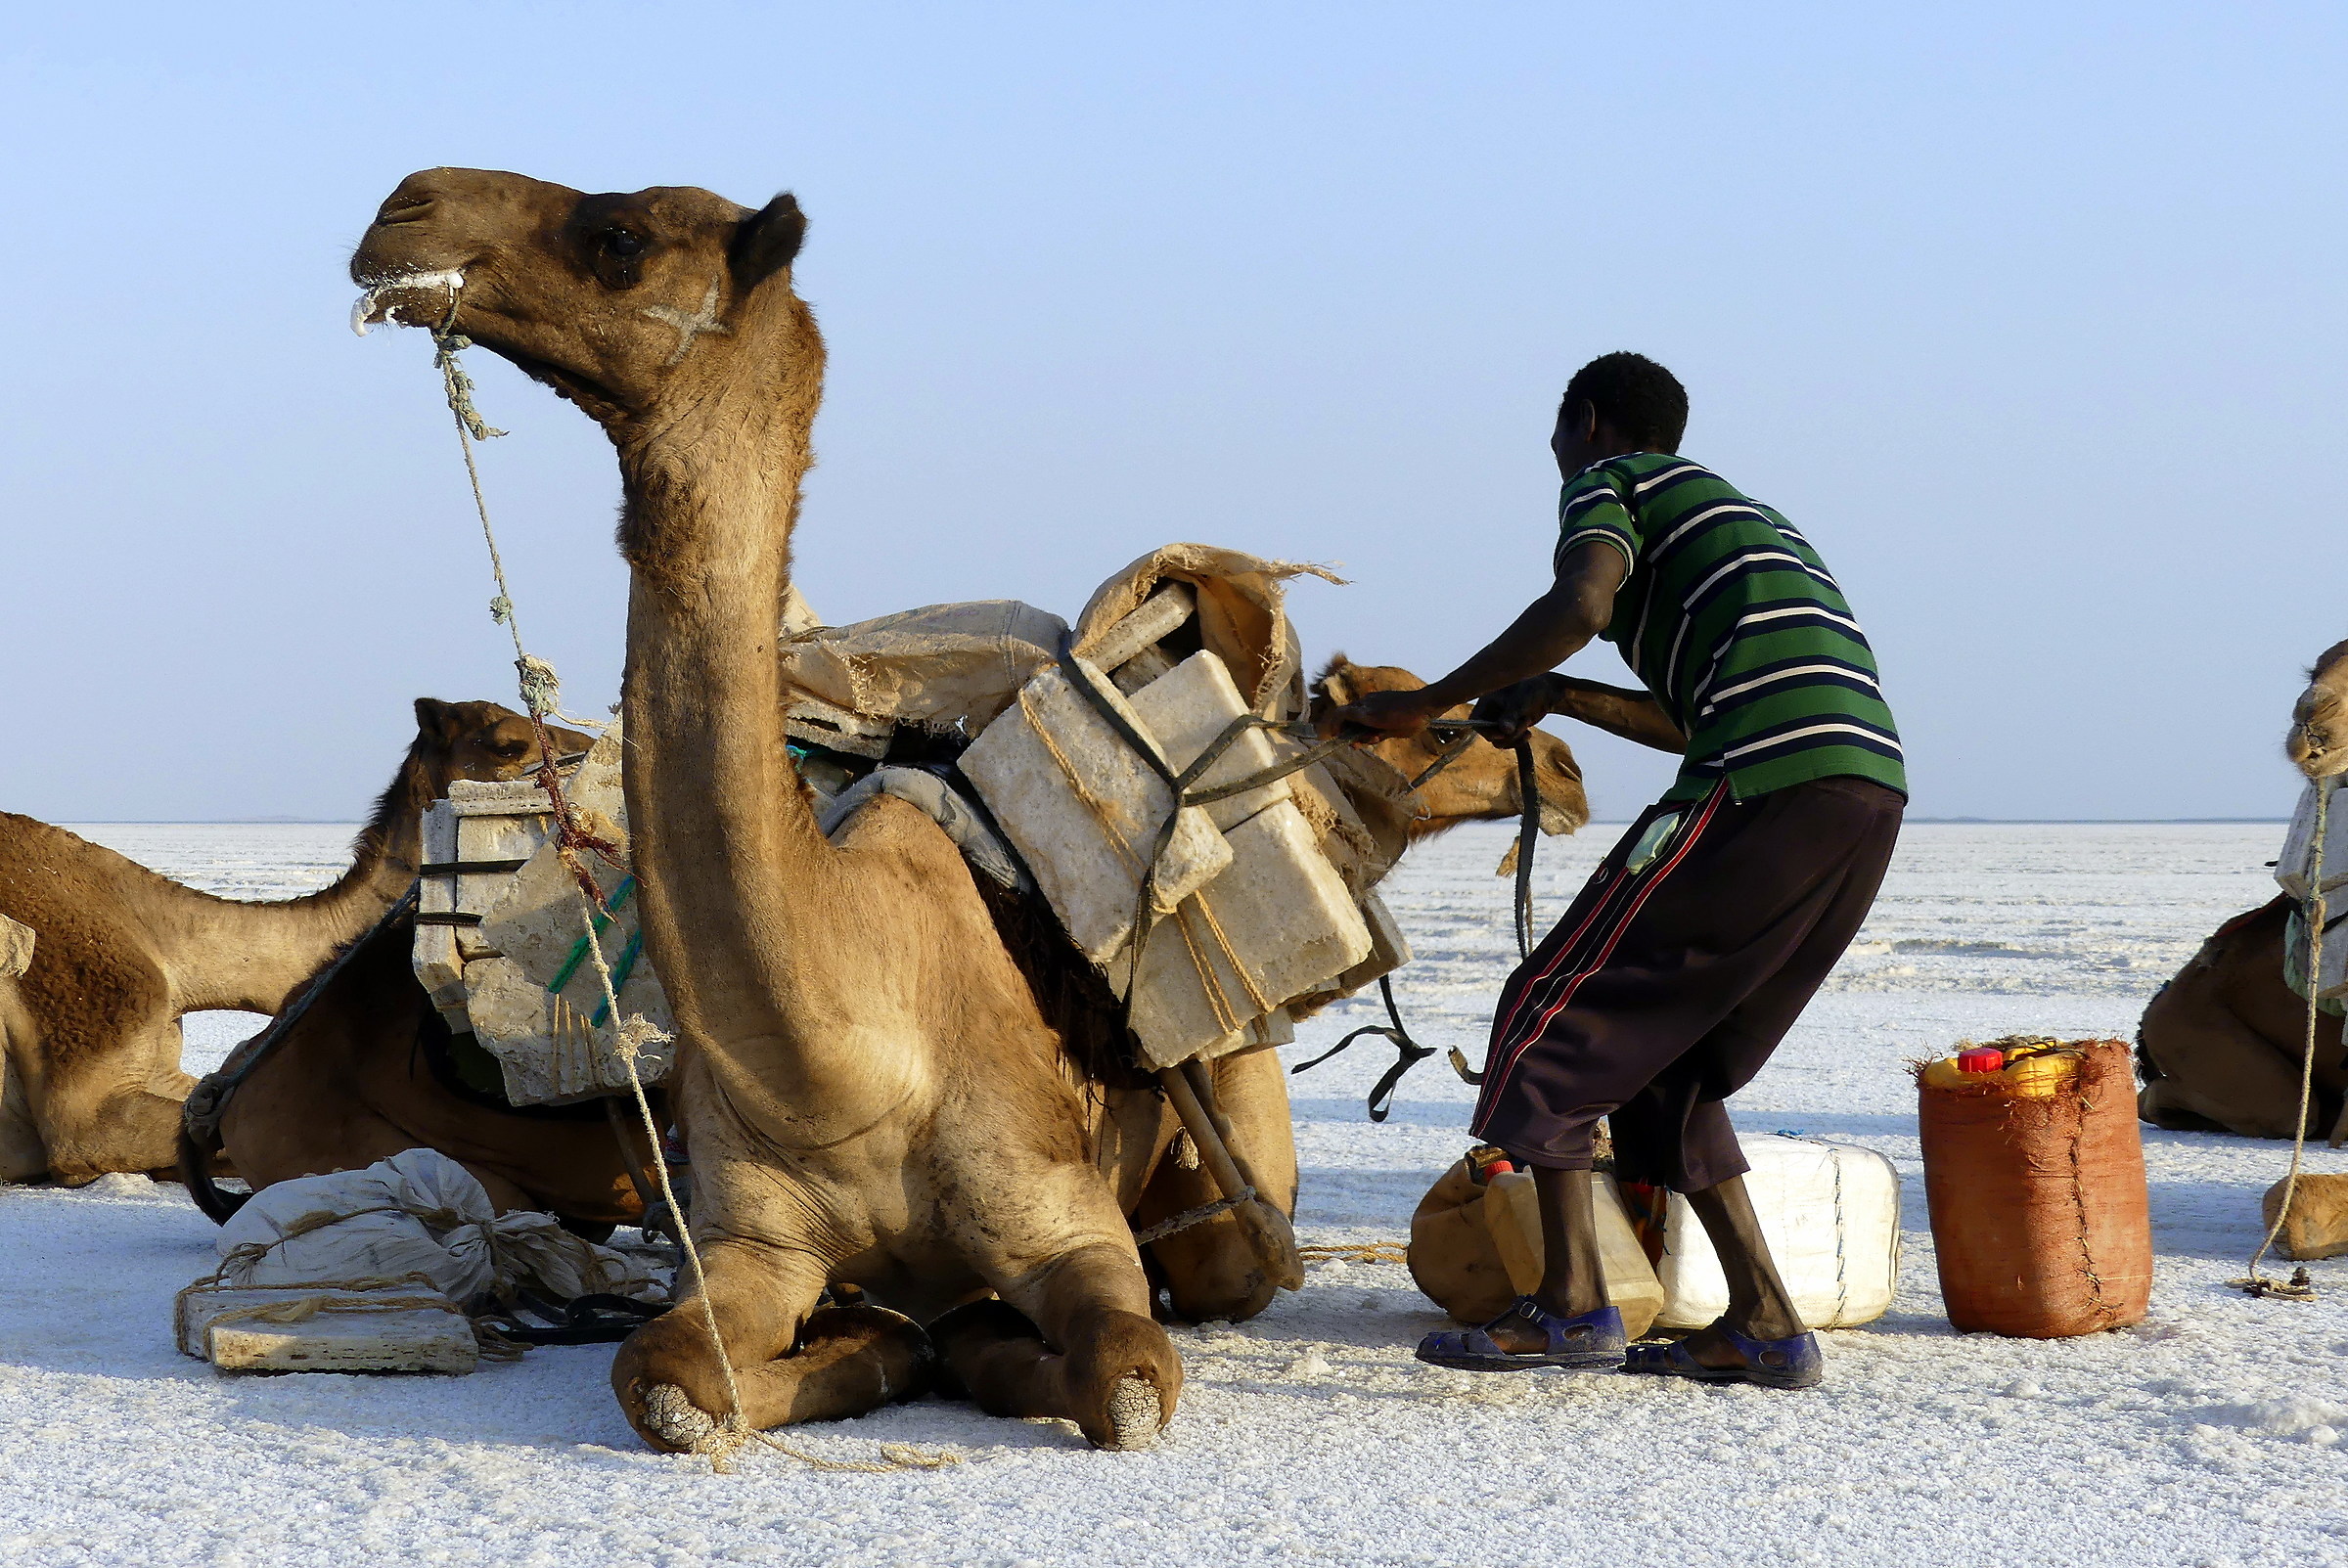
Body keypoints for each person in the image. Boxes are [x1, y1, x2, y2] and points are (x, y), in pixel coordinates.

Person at [1325, 352, 1905, 1388]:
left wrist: (1428, 703)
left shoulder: (1614, 484)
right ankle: (1767, 1324)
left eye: (1557, 441)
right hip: (1862, 794)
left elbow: (1582, 600)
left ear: (1587, 423)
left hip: (1761, 781)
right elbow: (1689, 713)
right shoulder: (1741, 517)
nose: (1556, 464)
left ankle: (1572, 1305)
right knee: (1664, 1058)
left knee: (1548, 1003)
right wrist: (1562, 694)